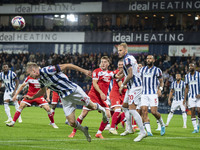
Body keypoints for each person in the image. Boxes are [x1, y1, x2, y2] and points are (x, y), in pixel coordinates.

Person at [23, 62, 107, 142]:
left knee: (91, 106)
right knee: (72, 123)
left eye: (29, 74)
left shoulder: (47, 70)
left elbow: (67, 65)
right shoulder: (40, 79)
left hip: (73, 91)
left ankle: (103, 111)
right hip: (64, 98)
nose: (30, 76)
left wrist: (84, 71)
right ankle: (84, 130)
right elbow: (42, 91)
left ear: (34, 71)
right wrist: (32, 97)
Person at [68, 56, 113, 139]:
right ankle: (73, 132)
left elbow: (118, 77)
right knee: (83, 114)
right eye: (102, 62)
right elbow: (95, 84)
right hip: (93, 97)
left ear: (108, 64)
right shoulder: (96, 71)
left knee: (108, 114)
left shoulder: (110, 73)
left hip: (101, 99)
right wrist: (101, 93)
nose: (103, 63)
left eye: (105, 62)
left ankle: (99, 133)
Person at [6, 63, 58, 128]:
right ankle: (12, 122)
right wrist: (15, 95)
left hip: (39, 96)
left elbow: (47, 88)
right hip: (29, 95)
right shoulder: (29, 78)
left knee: (48, 108)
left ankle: (53, 124)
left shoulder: (42, 78)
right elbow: (22, 86)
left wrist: (47, 97)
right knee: (21, 106)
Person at [117, 43, 147, 142]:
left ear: (125, 50)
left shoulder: (127, 59)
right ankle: (129, 128)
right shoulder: (130, 58)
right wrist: (119, 76)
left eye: (120, 50)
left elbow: (130, 75)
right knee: (124, 107)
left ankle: (143, 132)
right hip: (131, 87)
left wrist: (122, 85)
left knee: (132, 109)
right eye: (118, 50)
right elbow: (128, 72)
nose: (118, 52)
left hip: (135, 86)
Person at [140, 55, 165, 136]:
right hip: (144, 93)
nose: (148, 60)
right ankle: (149, 131)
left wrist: (160, 89)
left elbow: (161, 81)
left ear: (153, 60)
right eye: (147, 58)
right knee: (144, 111)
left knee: (154, 112)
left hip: (153, 94)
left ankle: (162, 125)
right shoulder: (142, 69)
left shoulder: (157, 70)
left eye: (150, 58)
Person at [108, 59, 126, 135]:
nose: (120, 66)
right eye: (119, 64)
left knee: (127, 111)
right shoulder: (116, 73)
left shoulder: (126, 73)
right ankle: (112, 128)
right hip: (115, 93)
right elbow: (120, 86)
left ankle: (114, 125)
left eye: (122, 64)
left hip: (122, 94)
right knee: (118, 109)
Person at [184, 63, 200, 133]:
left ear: (194, 67)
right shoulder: (187, 76)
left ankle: (198, 124)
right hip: (191, 96)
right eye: (189, 66)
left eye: (191, 66)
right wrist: (185, 98)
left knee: (199, 111)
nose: (190, 67)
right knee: (192, 111)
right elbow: (187, 88)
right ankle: (195, 128)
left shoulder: (199, 75)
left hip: (199, 96)